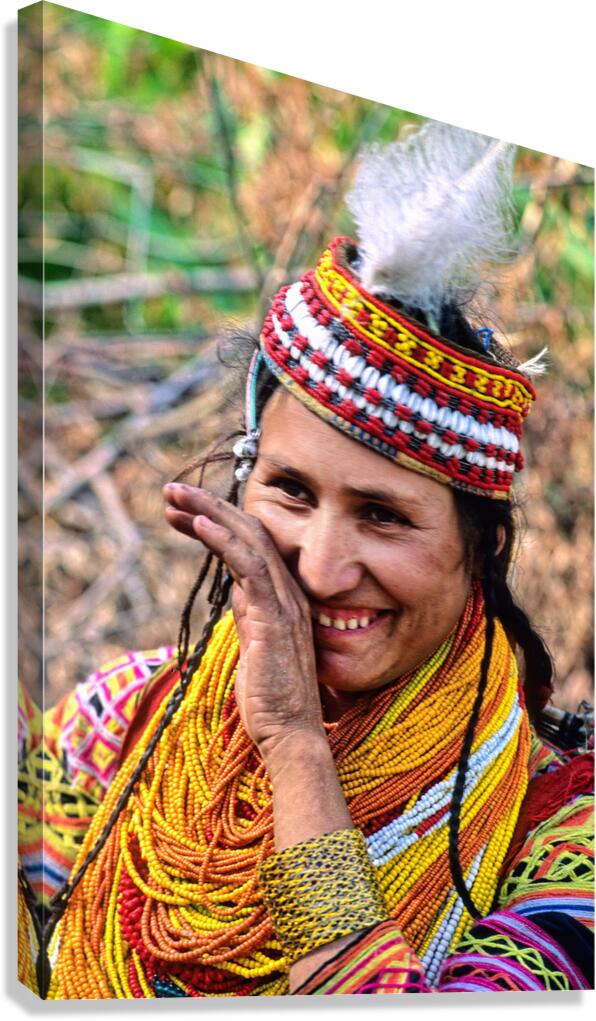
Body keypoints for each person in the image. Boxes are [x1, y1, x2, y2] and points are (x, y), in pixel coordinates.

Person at [18, 121, 593, 998]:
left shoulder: (564, 833)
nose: (321, 570)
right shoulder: (124, 727)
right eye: (290, 490)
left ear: (486, 551)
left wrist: (292, 745)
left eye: (384, 516)